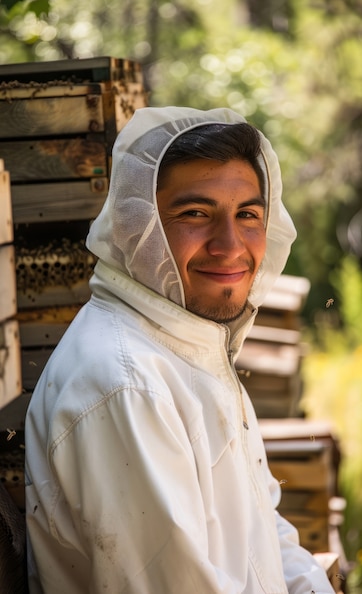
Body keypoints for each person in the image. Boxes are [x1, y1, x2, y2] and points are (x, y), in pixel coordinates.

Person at [25, 106, 335, 593]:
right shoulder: (126, 383)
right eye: (196, 214)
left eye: (248, 215)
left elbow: (259, 530)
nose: (230, 245)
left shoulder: (187, 344)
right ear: (136, 224)